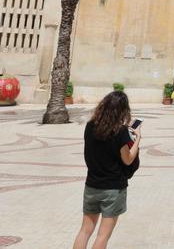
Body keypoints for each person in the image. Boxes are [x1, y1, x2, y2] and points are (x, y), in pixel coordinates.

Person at [73, 91, 141, 249]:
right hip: (113, 189)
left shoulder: (90, 126)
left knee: (85, 230)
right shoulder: (120, 131)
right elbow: (128, 159)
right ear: (123, 110)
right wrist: (137, 138)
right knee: (103, 235)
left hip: (92, 185)